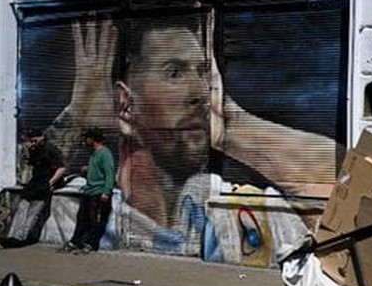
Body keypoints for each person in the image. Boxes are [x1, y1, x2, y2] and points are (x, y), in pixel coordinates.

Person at [47, 15, 337, 253]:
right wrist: (77, 116)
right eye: (174, 72)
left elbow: (345, 184)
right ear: (125, 103)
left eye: (203, 72)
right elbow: (34, 168)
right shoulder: (69, 210)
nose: (201, 92)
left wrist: (232, 128)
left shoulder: (231, 214)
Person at [0, 129, 67, 248]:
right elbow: (30, 166)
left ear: (41, 137)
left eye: (35, 140)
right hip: (34, 184)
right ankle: (12, 235)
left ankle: (21, 238)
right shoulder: (34, 150)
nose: (33, 143)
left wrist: (50, 183)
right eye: (31, 141)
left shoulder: (51, 149)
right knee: (22, 208)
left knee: (33, 213)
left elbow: (61, 169)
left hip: (43, 185)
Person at [61, 127, 115, 253]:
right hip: (88, 191)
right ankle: (75, 241)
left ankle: (90, 244)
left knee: (94, 220)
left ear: (92, 139)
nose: (85, 140)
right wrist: (88, 169)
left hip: (98, 192)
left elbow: (109, 174)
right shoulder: (94, 154)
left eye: (87, 138)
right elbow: (99, 170)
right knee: (82, 218)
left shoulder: (105, 154)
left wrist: (106, 192)